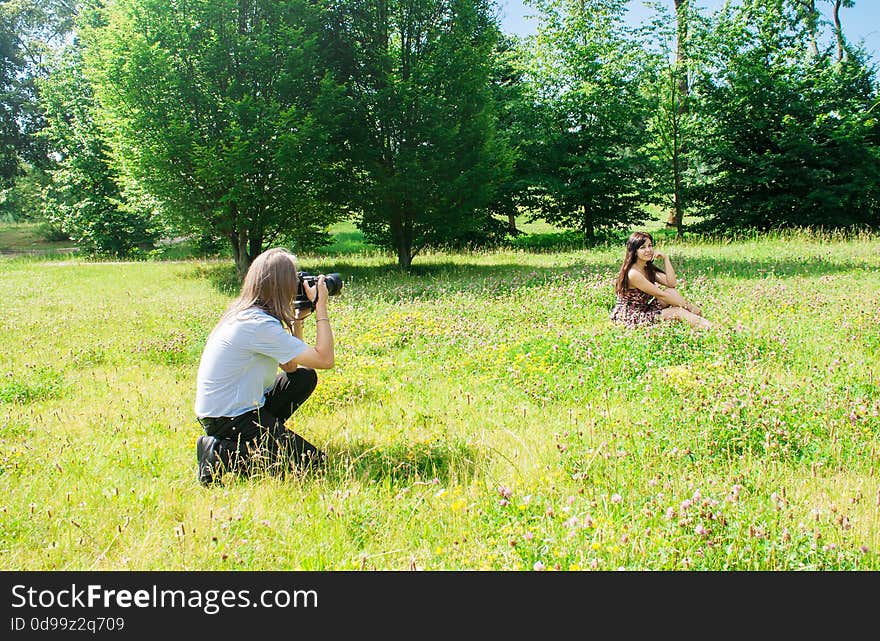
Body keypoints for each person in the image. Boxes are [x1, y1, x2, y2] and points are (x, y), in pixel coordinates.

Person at [194, 247, 335, 486]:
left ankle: (265, 439)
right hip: (230, 418)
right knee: (313, 464)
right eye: (294, 280)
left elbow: (291, 367)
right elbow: (325, 359)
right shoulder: (258, 325)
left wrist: (297, 320)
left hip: (232, 410)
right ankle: (218, 452)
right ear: (281, 286)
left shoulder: (247, 314)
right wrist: (321, 307)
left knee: (303, 377)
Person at [610, 231, 711, 330]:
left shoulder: (646, 268)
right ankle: (712, 327)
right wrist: (689, 306)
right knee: (676, 311)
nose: (648, 250)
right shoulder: (633, 273)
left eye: (650, 246)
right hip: (631, 316)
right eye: (642, 247)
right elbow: (661, 295)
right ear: (634, 252)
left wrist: (666, 259)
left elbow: (671, 284)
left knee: (671, 291)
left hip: (644, 309)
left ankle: (697, 320)